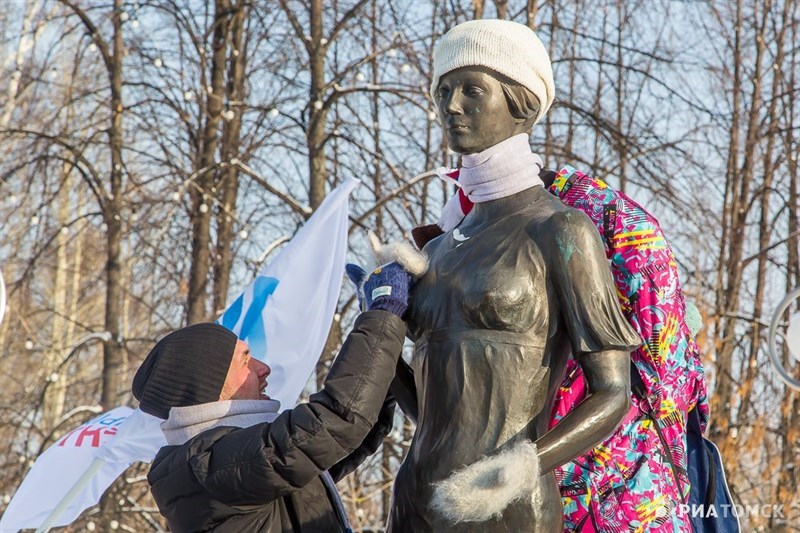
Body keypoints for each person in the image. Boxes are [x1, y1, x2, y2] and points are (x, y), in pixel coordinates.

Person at [405, 22, 712, 533]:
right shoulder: (437, 248)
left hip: (511, 508)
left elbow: (611, 393)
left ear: (521, 101)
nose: (450, 105)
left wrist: (521, 468)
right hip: (415, 499)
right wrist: (376, 321)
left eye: (471, 89)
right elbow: (436, 405)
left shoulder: (561, 230)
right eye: (442, 91)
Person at [132, 262, 412, 532]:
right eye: (245, 361)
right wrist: (384, 313)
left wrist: (384, 342)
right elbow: (335, 421)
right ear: (209, 387)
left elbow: (344, 439)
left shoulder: (225, 465)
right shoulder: (208, 466)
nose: (263, 368)